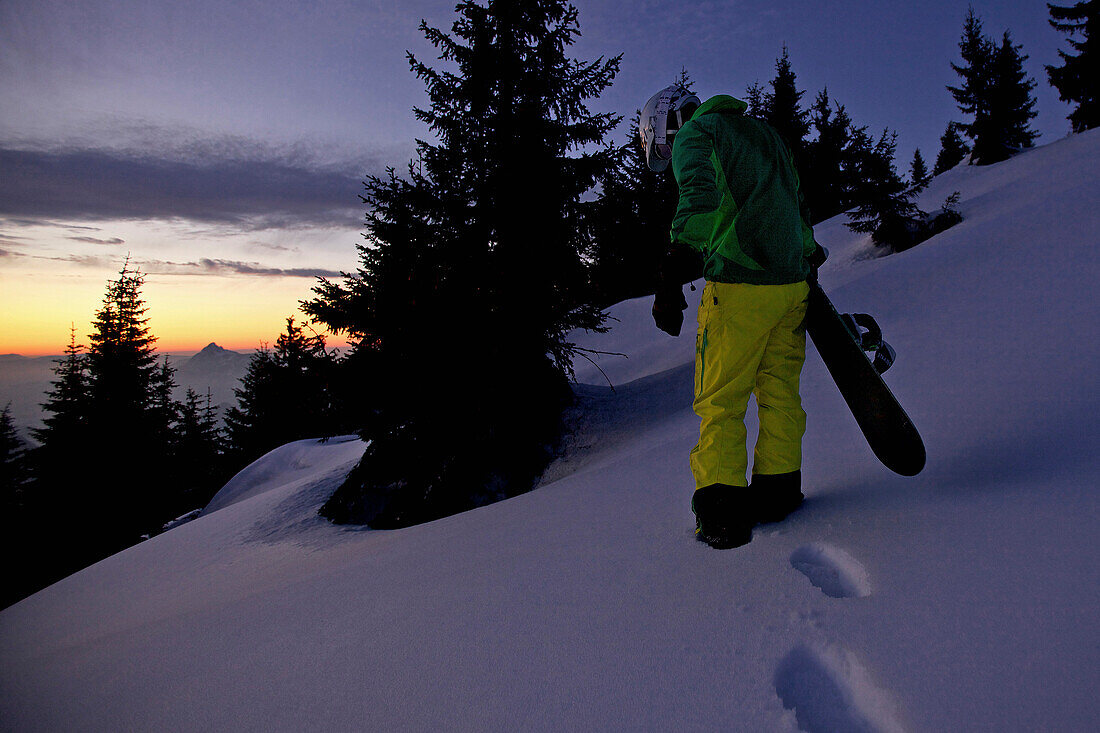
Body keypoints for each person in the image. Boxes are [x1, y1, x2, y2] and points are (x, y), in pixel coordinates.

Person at [639, 85, 826, 548]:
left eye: (661, 143)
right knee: (779, 390)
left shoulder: (695, 133)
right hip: (792, 286)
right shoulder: (765, 133)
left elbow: (700, 199)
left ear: (667, 121)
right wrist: (808, 260)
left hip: (739, 286)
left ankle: (723, 514)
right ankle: (778, 491)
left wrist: (672, 272)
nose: (668, 152)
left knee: (720, 400)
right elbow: (796, 204)